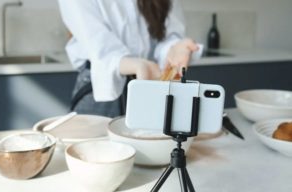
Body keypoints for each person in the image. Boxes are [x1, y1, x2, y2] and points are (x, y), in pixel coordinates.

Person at [58, 0, 199, 118]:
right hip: (101, 87)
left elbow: (167, 36)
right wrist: (135, 64)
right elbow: (97, 43)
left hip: (149, 82)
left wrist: (174, 48)